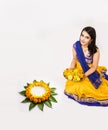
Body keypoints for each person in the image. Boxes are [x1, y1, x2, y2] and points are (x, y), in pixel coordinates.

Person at [64, 26, 108, 106]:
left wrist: (84, 75)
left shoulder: (95, 50)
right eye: (82, 35)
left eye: (87, 37)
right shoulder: (76, 46)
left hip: (90, 70)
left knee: (91, 89)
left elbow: (94, 67)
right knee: (75, 86)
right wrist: (71, 70)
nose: (83, 39)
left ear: (91, 40)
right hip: (79, 69)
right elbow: (74, 59)